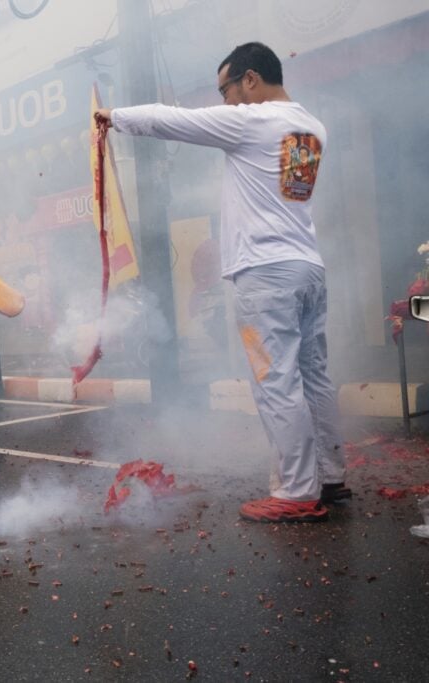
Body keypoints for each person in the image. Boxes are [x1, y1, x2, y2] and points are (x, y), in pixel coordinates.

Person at [95, 42, 347, 523]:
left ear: (250, 79)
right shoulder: (312, 126)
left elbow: (174, 120)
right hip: (307, 268)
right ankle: (330, 478)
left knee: (276, 381)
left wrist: (115, 116)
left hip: (266, 274)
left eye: (225, 89)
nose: (225, 101)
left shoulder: (254, 120)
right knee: (314, 377)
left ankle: (296, 490)